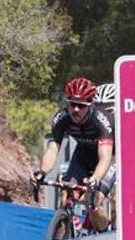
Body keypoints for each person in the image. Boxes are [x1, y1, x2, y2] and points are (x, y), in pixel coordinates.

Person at [32, 77, 115, 231]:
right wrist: (41, 172)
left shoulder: (102, 121)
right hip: (82, 156)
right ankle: (63, 233)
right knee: (66, 198)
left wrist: (95, 179)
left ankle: (105, 236)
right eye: (72, 104)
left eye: (81, 106)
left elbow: (104, 157)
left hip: (108, 159)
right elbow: (53, 149)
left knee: (92, 203)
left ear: (90, 105)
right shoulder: (61, 118)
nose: (75, 109)